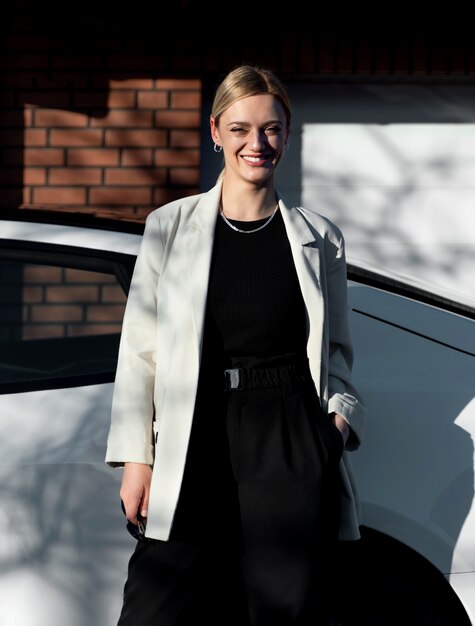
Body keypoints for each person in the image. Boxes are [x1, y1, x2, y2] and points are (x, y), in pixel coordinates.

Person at [106, 64, 366, 626]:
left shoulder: (320, 238)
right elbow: (141, 352)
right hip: (192, 427)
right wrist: (136, 457)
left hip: (288, 434)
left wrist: (331, 430)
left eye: (271, 129)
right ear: (216, 131)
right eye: (242, 128)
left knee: (283, 612)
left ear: (287, 135)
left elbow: (338, 352)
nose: (258, 143)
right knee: (158, 607)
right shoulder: (170, 227)